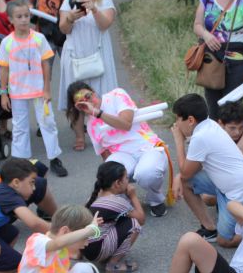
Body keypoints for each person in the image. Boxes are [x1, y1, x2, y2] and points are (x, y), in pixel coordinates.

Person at [68, 82, 172, 217]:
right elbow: (105, 154)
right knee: (110, 174)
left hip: (147, 146)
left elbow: (126, 124)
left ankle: (155, 199)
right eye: (81, 102)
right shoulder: (90, 125)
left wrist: (97, 112)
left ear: (93, 91)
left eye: (87, 96)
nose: (87, 101)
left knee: (147, 173)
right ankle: (122, 200)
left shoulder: (116, 95)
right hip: (122, 154)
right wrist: (115, 183)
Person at [171, 93, 243, 247]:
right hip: (228, 185)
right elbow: (190, 172)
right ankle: (209, 228)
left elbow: (186, 171)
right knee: (185, 181)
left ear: (190, 120)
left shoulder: (200, 137)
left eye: (178, 119)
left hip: (240, 193)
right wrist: (179, 176)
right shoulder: (209, 124)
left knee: (225, 241)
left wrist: (179, 141)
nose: (177, 124)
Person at [0, 0, 67, 177]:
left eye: (26, 15)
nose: (23, 20)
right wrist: (4, 92)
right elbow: (3, 68)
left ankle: (54, 158)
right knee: (20, 126)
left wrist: (47, 89)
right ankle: (22, 161)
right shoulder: (7, 42)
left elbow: (46, 64)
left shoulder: (38, 38)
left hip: (38, 90)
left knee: (47, 122)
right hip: (18, 92)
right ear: (11, 19)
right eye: (19, 16)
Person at [57, 0, 119, 149]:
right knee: (76, 95)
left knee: (101, 96)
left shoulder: (105, 0)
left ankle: (104, 134)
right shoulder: (69, 1)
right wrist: (70, 18)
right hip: (75, 52)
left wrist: (94, 9)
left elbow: (105, 24)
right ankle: (79, 136)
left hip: (98, 53)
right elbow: (63, 29)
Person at [81, 161, 144, 273]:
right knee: (134, 224)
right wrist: (133, 196)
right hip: (95, 250)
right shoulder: (116, 201)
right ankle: (112, 265)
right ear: (117, 183)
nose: (128, 180)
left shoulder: (96, 195)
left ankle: (105, 255)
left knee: (122, 219)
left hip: (85, 247)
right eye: (126, 178)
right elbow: (141, 219)